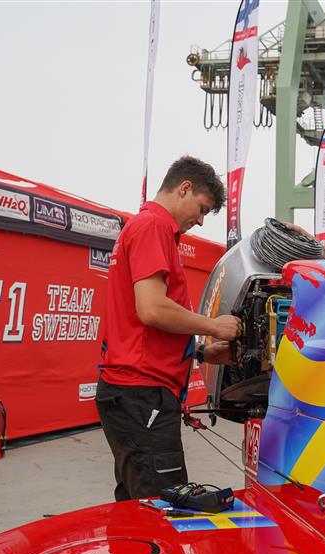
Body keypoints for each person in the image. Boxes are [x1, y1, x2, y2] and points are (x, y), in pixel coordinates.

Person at [96, 156, 242, 501]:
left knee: (137, 500)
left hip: (134, 391)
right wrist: (215, 328)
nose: (201, 220)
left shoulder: (146, 227)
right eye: (202, 208)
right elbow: (152, 310)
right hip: (142, 392)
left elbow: (141, 327)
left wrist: (202, 352)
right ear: (184, 188)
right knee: (164, 508)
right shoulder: (153, 227)